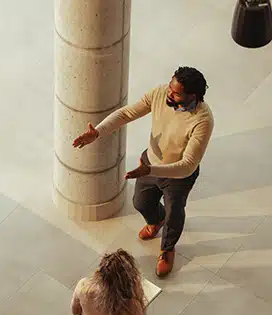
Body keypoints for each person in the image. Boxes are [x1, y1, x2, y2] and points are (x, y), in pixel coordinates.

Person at [73, 66, 214, 277]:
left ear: (192, 96)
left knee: (174, 213)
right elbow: (128, 113)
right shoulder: (159, 93)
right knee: (141, 202)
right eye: (170, 87)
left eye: (175, 93)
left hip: (178, 176)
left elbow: (188, 164)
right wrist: (99, 132)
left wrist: (151, 169)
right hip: (149, 164)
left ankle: (167, 249)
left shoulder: (202, 120)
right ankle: (156, 220)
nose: (169, 93)